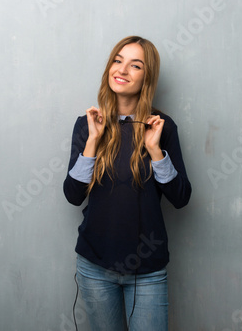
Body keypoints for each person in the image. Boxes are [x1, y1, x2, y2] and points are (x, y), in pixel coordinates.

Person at [63, 35, 192, 331]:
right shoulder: (87, 125)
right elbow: (72, 195)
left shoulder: (162, 126)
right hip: (94, 266)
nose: (122, 70)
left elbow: (182, 197)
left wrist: (156, 150)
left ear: (147, 77)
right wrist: (94, 141)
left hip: (147, 270)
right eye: (118, 61)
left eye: (135, 65)